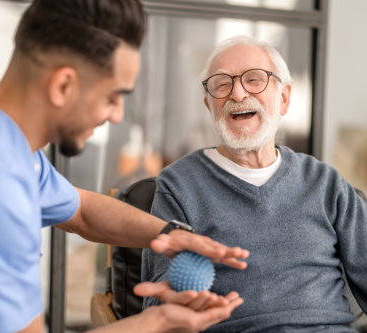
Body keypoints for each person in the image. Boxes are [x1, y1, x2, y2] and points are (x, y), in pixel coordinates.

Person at [0, 2, 253, 332]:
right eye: (113, 96)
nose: (118, 115)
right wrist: (159, 321)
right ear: (63, 85)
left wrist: (169, 235)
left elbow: (82, 211)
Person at [142, 35, 367, 332]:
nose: (237, 93)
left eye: (254, 79)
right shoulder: (179, 185)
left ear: (284, 98)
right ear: (209, 104)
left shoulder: (325, 183)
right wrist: (182, 299)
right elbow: (160, 301)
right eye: (222, 84)